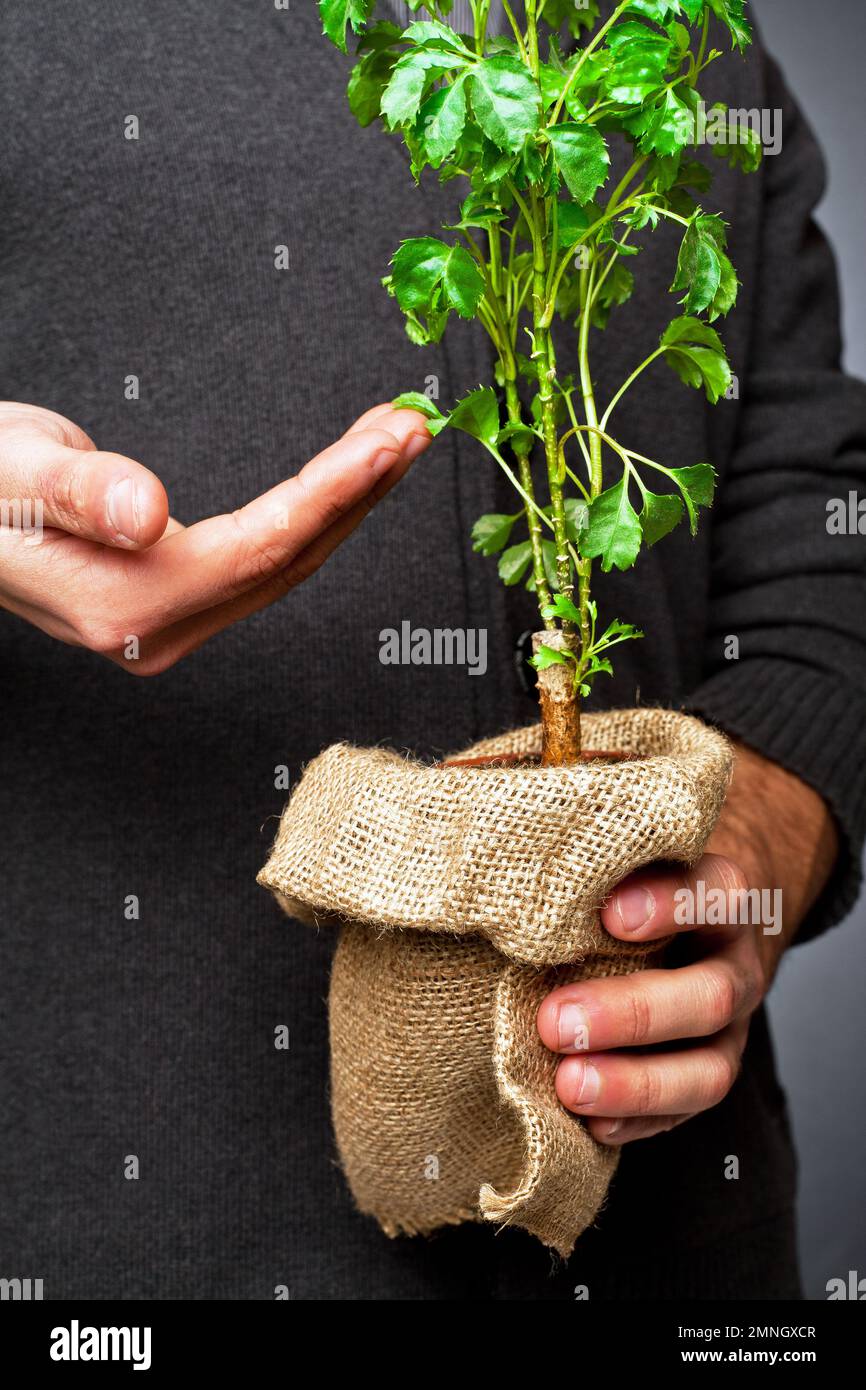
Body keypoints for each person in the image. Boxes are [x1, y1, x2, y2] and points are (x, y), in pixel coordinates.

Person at [1, 1, 863, 1300]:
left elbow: (821, 544)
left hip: (675, 1264)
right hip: (119, 1249)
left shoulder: (675, 36)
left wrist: (756, 840)